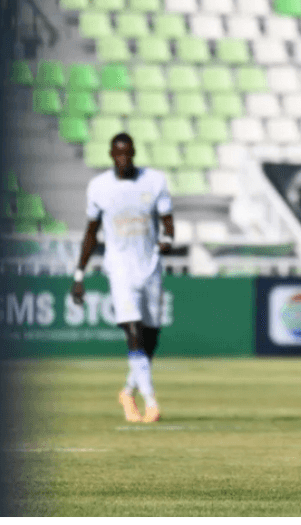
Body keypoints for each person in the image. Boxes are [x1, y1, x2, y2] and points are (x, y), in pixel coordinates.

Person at [72, 133, 174, 424]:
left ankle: (128, 391)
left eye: (128, 153)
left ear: (134, 152)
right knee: (133, 331)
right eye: (118, 154)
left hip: (150, 267)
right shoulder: (99, 187)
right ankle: (150, 402)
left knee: (151, 338)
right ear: (110, 154)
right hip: (120, 269)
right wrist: (79, 274)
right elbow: (91, 232)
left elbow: (168, 222)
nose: (123, 159)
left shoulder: (154, 181)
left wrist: (167, 239)